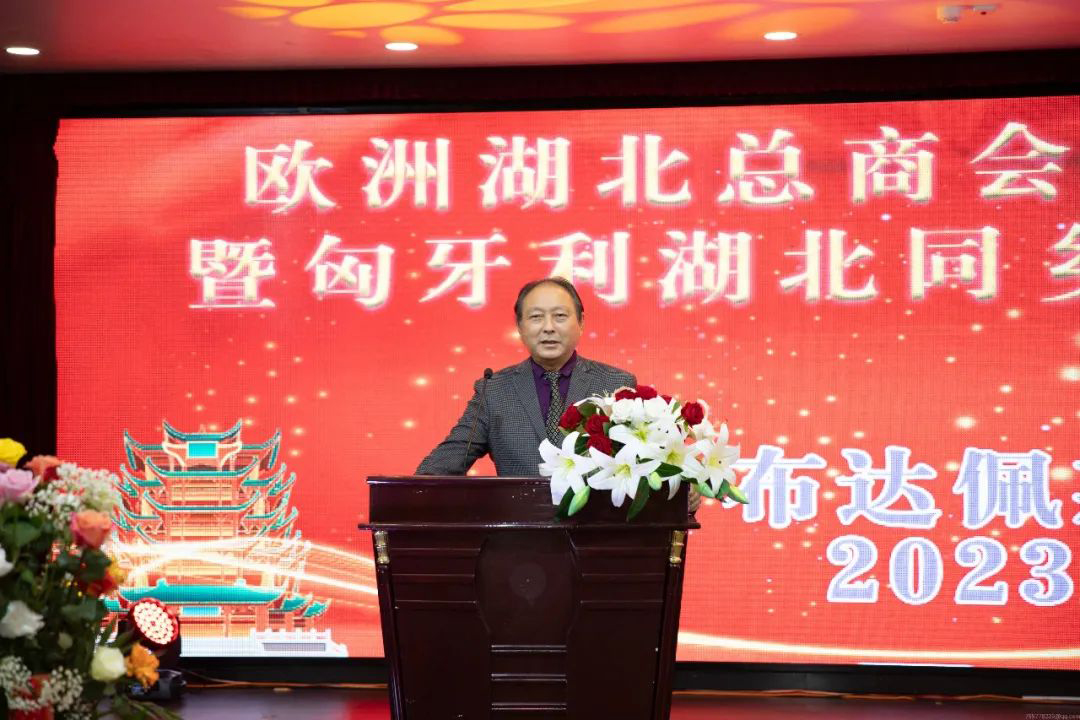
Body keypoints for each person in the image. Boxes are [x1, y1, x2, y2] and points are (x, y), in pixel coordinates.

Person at [415, 277, 701, 513]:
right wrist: (414, 493)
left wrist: (680, 491)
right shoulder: (495, 390)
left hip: (596, 537)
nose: (548, 327)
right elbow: (445, 462)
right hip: (518, 540)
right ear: (520, 327)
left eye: (560, 316)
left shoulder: (616, 384)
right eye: (536, 317)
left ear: (581, 322)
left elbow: (646, 465)